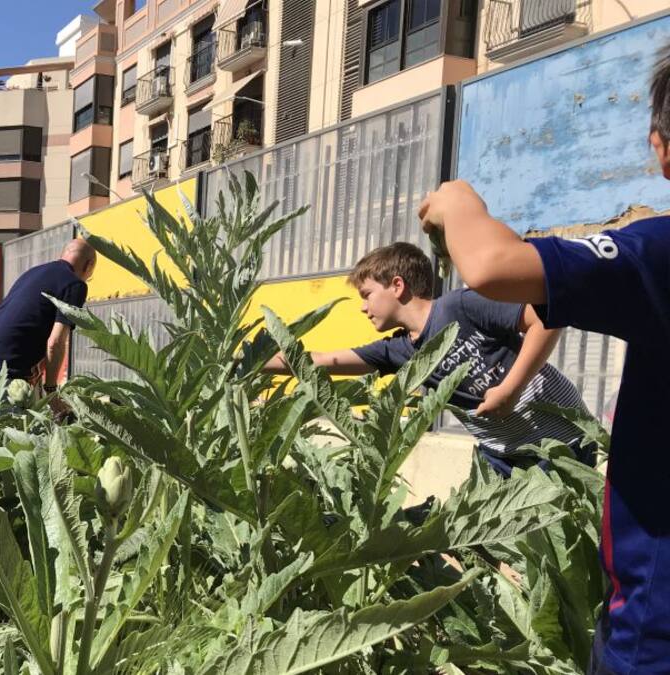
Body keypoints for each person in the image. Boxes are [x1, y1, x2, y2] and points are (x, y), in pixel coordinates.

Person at [416, 50, 670, 675]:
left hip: (654, 634)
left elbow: (495, 270)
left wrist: (457, 201)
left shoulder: (661, 254)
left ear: (661, 149)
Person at [263, 241, 594, 477]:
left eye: (367, 295)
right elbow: (321, 361)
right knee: (480, 541)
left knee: (570, 547)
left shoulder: (460, 306)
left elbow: (547, 318)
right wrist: (249, 361)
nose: (363, 308)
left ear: (397, 285)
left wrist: (511, 389)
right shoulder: (401, 351)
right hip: (503, 451)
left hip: (562, 436)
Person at [0, 239, 96, 395]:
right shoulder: (75, 284)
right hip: (2, 376)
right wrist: (50, 390)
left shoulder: (33, 272)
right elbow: (55, 343)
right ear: (88, 266)